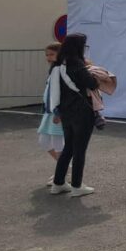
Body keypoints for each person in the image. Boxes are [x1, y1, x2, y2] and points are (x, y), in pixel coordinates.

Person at [48, 34, 100, 197]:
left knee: (68, 148)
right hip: (82, 111)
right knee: (79, 150)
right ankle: (77, 185)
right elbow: (92, 84)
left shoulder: (58, 65)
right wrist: (95, 74)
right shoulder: (77, 64)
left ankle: (58, 183)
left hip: (65, 111)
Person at [38, 42, 63, 186]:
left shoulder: (60, 69)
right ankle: (66, 168)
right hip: (49, 112)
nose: (48, 57)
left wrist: (58, 112)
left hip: (56, 113)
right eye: (47, 55)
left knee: (58, 143)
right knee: (44, 141)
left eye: (51, 54)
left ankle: (62, 172)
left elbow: (59, 94)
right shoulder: (54, 69)